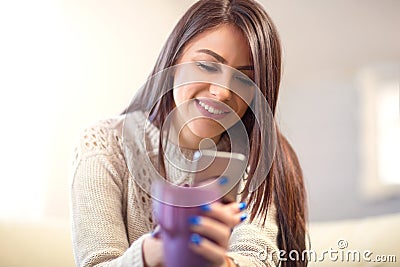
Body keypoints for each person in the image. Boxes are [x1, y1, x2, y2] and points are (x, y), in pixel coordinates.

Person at [70, 0, 308, 266]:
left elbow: (257, 257)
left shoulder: (257, 160)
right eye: (207, 66)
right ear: (174, 60)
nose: (222, 92)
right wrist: (157, 251)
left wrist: (220, 262)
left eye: (244, 79)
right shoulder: (104, 144)